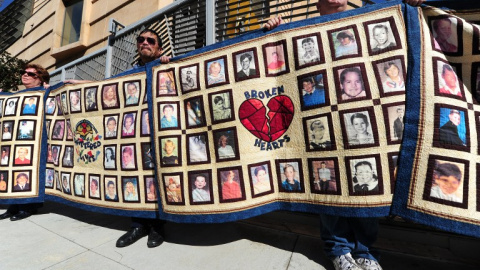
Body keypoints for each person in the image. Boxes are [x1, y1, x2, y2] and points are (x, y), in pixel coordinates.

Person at [264, 1, 425, 269]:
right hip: (320, 123)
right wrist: (273, 32)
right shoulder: (300, 31)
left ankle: (366, 251)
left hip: (362, 123)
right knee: (329, 185)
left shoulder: (370, 21)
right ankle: (338, 249)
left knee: (367, 186)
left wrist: (413, 7)